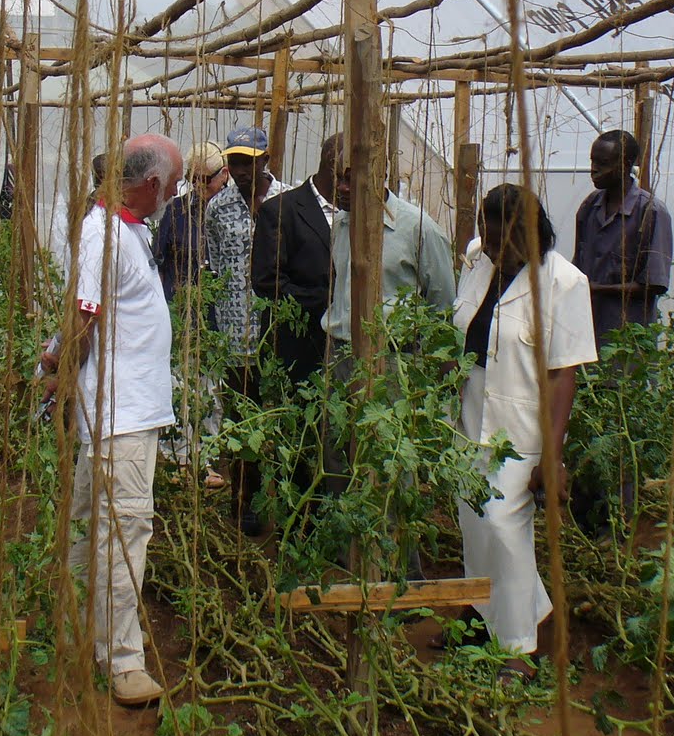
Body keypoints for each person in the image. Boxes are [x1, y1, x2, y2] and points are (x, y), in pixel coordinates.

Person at [34, 134, 182, 708]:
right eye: (169, 186)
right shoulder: (102, 234)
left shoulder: (126, 229)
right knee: (124, 530)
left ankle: (68, 620)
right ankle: (121, 661)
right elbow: (82, 318)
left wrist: (56, 361)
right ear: (149, 185)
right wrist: (59, 373)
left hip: (123, 411)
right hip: (120, 415)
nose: (173, 195)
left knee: (89, 518)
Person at [451, 185, 596, 683]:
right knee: (473, 523)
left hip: (521, 431)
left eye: (501, 242)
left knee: (504, 529)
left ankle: (517, 650)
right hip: (470, 418)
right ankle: (478, 614)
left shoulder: (564, 284)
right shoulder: (478, 259)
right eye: (486, 238)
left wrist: (551, 458)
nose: (492, 250)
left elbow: (563, 375)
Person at [571, 129, 673, 527]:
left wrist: (594, 289)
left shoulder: (650, 213)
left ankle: (618, 524)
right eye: (593, 161)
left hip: (625, 341)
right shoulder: (589, 209)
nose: (593, 169)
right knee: (584, 423)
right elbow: (578, 264)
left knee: (619, 428)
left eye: (603, 163)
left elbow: (653, 284)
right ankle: (585, 518)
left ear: (627, 166)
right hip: (585, 334)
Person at [204, 124, 284, 533]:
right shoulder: (217, 209)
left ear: (265, 160)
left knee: (285, 418)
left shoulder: (289, 203)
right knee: (242, 422)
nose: (238, 169)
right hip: (237, 341)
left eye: (247, 162)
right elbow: (214, 273)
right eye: (233, 162)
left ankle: (288, 500)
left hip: (281, 334)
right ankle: (246, 501)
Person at [322, 139, 456, 356]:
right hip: (339, 355)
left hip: (395, 358)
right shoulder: (341, 223)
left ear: (380, 177)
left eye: (351, 179)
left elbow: (443, 303)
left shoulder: (418, 228)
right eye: (338, 178)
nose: (341, 188)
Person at [251, 133, 339, 384]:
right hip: (301, 349)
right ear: (332, 163)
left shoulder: (358, 212)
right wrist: (330, 302)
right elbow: (266, 282)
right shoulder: (280, 210)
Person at [153, 141, 229, 300]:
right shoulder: (175, 210)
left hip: (219, 307)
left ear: (224, 174)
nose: (198, 185)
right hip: (179, 305)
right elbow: (158, 263)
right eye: (192, 178)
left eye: (205, 179)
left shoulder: (232, 215)